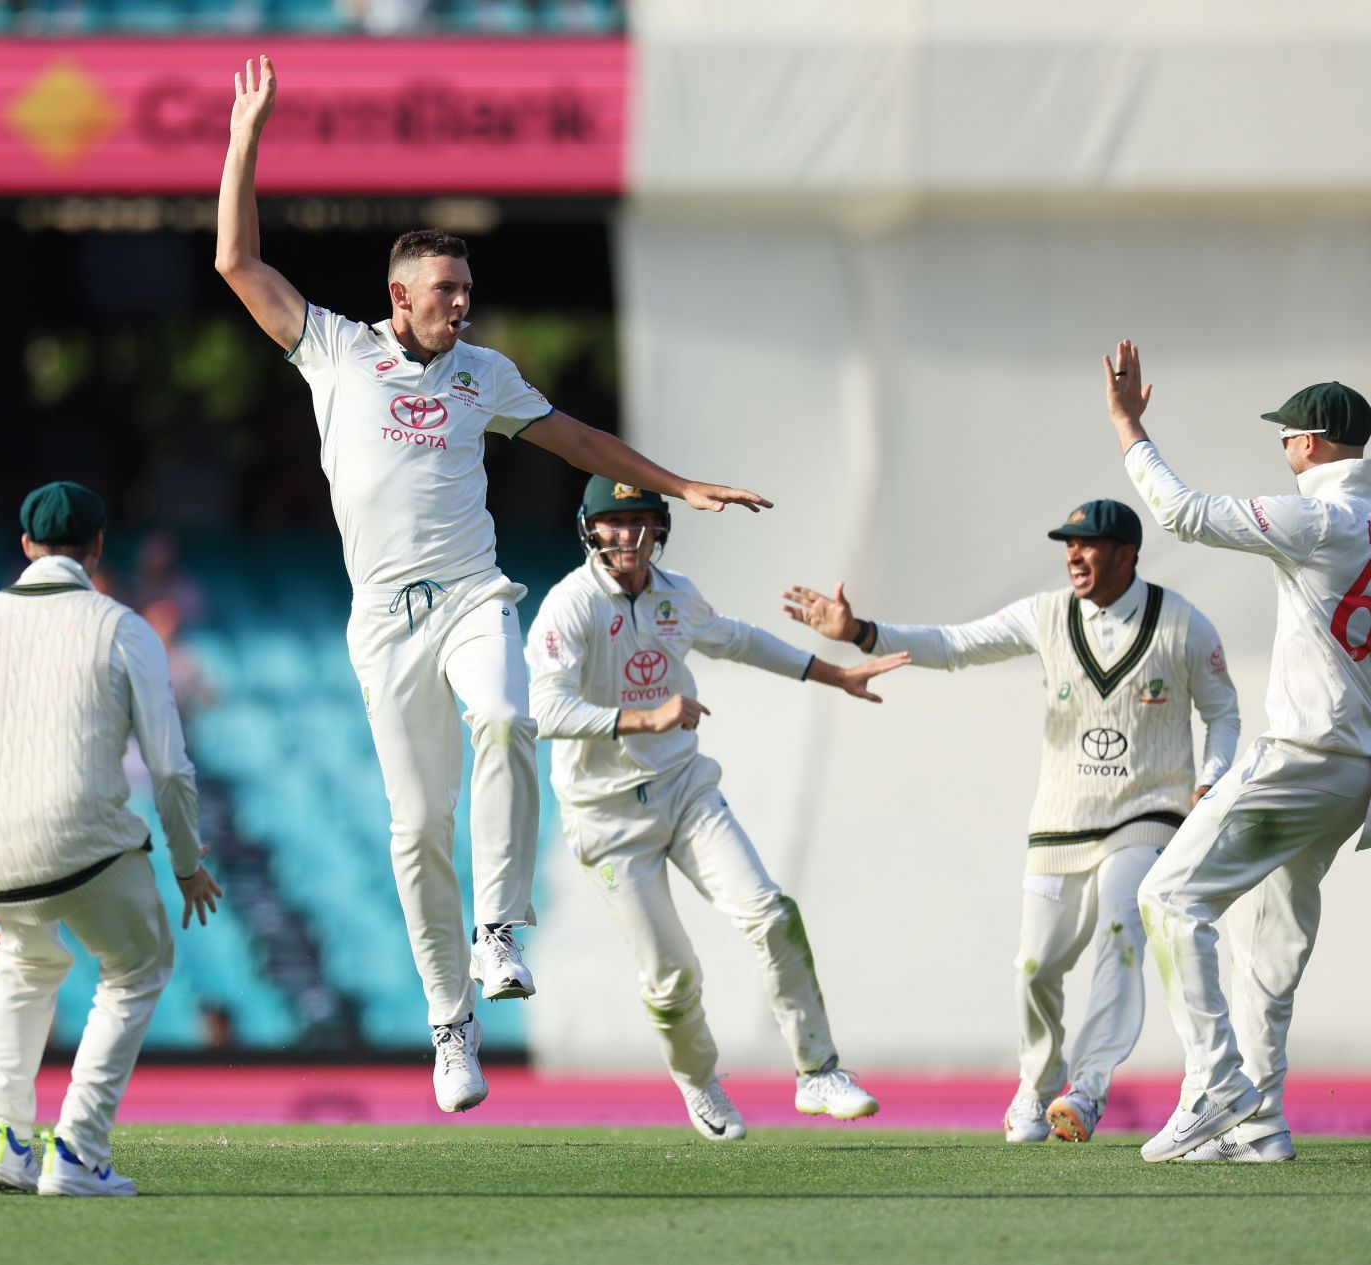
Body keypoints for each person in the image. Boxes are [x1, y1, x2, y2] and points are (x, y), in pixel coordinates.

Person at [216, 55, 770, 1112]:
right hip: (383, 623)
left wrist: (679, 481)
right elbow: (237, 259)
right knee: (416, 829)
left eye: (467, 290)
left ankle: (502, 929)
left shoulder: (484, 375)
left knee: (510, 713)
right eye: (444, 292)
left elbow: (576, 438)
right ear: (397, 298)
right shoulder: (333, 349)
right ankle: (448, 1024)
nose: (461, 305)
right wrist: (247, 135)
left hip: (475, 595)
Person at [782, 498, 1239, 1145]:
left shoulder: (1184, 624)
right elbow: (956, 644)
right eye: (1068, 545)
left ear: (1127, 554)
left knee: (1121, 929)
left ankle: (1086, 1090)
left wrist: (1210, 784)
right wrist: (862, 632)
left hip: (1150, 811)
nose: (1073, 556)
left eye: (1088, 545)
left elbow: (1223, 712)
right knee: (1034, 966)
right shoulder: (1046, 614)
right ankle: (1036, 1084)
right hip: (1061, 819)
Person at [529, 477, 898, 1139]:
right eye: (615, 522)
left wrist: (834, 674)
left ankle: (818, 1072)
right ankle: (700, 1085)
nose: (630, 536)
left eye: (642, 520)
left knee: (771, 913)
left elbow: (741, 640)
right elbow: (544, 709)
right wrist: (645, 717)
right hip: (607, 819)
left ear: (660, 529)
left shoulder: (677, 597)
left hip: (684, 789)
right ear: (591, 530)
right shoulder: (570, 606)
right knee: (671, 977)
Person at [0, 482, 221, 1197]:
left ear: (24, 547)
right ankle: (77, 1148)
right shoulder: (123, 625)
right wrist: (189, 863)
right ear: (99, 547)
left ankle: (3, 1139)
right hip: (90, 847)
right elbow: (169, 765)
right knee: (137, 968)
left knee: (23, 962)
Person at [1105, 343, 1371, 1163]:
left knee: (1168, 900)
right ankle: (1259, 1121)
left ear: (1312, 444)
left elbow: (1183, 514)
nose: (1283, 448)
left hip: (1302, 755)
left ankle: (1217, 1083)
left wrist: (1127, 426)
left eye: (1288, 436)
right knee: (1269, 945)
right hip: (1354, 777)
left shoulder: (1320, 516)